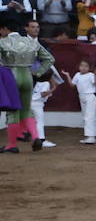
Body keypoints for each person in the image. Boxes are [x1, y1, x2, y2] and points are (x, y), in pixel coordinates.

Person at [0, 22, 53, 153]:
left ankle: (11, 145)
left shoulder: (3, 42)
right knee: (26, 109)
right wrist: (38, 72)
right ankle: (36, 137)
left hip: (11, 77)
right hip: (28, 77)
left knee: (13, 111)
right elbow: (49, 59)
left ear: (5, 29)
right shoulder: (31, 42)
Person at [66, 59, 96, 144]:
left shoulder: (91, 75)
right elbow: (72, 85)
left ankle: (91, 137)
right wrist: (67, 75)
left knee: (89, 117)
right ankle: (93, 133)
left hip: (90, 96)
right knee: (86, 116)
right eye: (82, 65)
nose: (83, 68)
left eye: (86, 66)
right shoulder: (77, 75)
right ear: (79, 67)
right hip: (82, 97)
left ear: (89, 68)